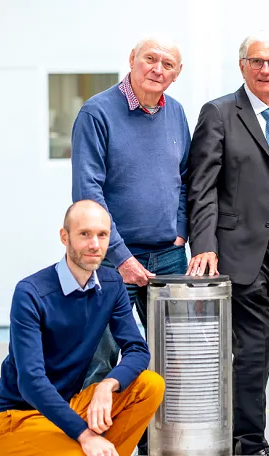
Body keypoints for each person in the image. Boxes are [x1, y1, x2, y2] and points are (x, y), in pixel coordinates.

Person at [186, 31, 269, 456]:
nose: (265, 70)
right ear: (242, 66)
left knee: (263, 352)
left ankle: (240, 434)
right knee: (253, 350)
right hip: (240, 253)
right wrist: (204, 244)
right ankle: (248, 444)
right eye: (256, 61)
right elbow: (200, 186)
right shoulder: (219, 113)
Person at [70, 36, 190, 455]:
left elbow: (184, 181)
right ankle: (107, 446)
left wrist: (179, 231)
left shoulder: (175, 113)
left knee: (171, 360)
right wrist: (119, 256)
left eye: (168, 64)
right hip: (107, 262)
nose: (158, 69)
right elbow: (88, 194)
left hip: (170, 255)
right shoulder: (97, 113)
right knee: (102, 361)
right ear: (132, 61)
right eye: (150, 59)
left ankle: (159, 447)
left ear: (176, 74)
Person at [0, 200, 165, 456]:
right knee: (85, 450)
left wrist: (108, 385)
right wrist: (84, 435)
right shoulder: (31, 292)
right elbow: (30, 381)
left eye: (102, 235)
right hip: (20, 417)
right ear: (65, 237)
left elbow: (137, 349)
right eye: (84, 234)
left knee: (150, 384)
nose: (94, 245)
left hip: (72, 405)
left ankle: (100, 449)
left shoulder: (111, 283)